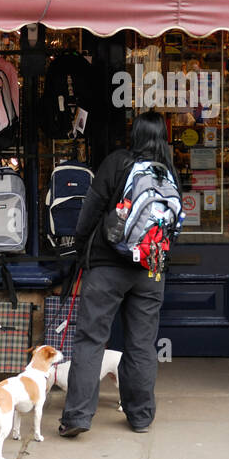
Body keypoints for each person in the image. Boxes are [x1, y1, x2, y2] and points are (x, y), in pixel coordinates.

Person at [59, 111, 175, 437]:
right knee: (142, 344)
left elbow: (90, 212)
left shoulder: (116, 163)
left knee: (91, 340)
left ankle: (78, 417)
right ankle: (140, 417)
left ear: (134, 134)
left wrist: (82, 248)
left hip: (107, 267)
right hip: (150, 269)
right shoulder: (168, 172)